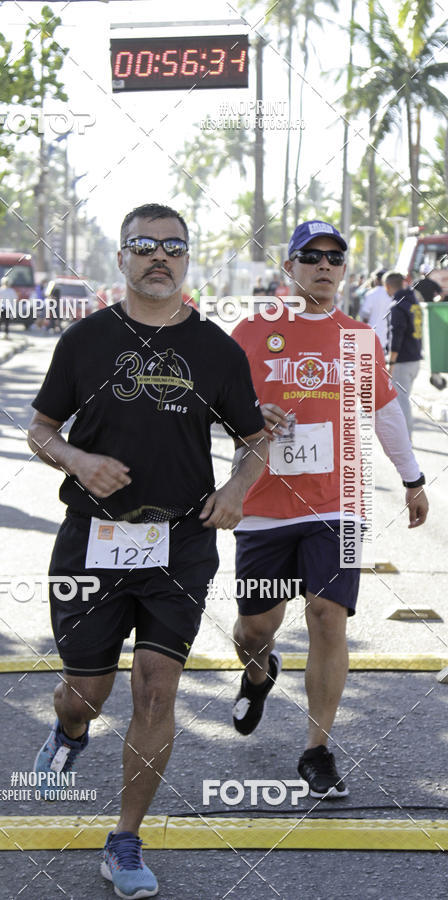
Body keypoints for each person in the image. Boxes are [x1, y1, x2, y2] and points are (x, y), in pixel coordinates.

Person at [28, 203, 267, 899]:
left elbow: (254, 440)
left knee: (157, 687)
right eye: (144, 246)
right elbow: (41, 429)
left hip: (182, 543)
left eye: (173, 247)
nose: (158, 257)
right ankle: (69, 732)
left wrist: (235, 491)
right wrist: (77, 459)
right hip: (92, 544)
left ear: (189, 258)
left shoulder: (219, 350)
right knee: (87, 695)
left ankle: (125, 840)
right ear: (122, 256)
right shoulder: (85, 340)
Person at [230, 220, 429, 800]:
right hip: (264, 503)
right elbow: (213, 405)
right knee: (254, 628)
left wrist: (412, 478)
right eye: (310, 256)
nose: (324, 265)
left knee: (326, 614)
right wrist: (247, 412)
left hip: (336, 504)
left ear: (344, 269)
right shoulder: (250, 332)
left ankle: (317, 749)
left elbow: (386, 412)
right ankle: (258, 669)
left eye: (334, 257)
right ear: (289, 267)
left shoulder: (359, 338)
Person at [385, 271, 423, 439]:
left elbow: (396, 335)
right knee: (403, 399)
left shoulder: (397, 306)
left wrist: (391, 364)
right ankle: (405, 437)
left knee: (402, 402)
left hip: (402, 361)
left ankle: (406, 440)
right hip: (415, 358)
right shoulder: (413, 302)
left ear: (387, 286)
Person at [359, 269, 391, 352]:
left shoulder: (371, 294)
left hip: (372, 333)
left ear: (376, 279)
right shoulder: (391, 294)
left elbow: (365, 315)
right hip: (388, 335)